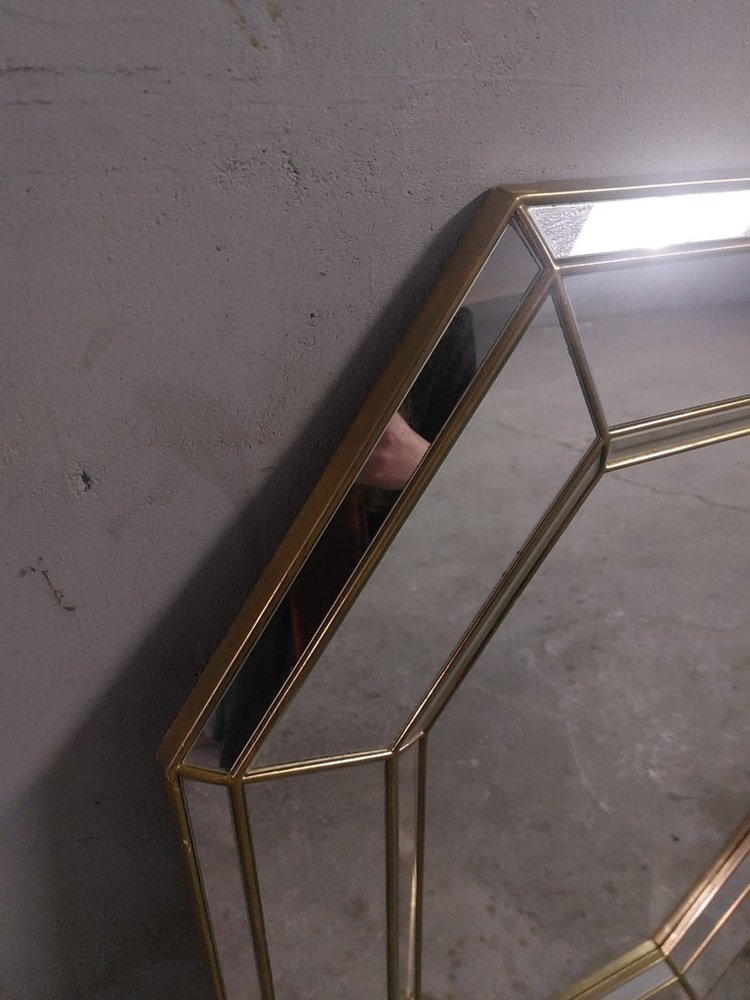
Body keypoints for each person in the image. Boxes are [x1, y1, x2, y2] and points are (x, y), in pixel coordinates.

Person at [215, 308, 476, 768]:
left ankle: (238, 738)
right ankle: (229, 731)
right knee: (239, 649)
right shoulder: (241, 328)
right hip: (246, 525)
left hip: (362, 536)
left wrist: (423, 462)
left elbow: (459, 480)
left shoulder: (444, 327)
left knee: (288, 656)